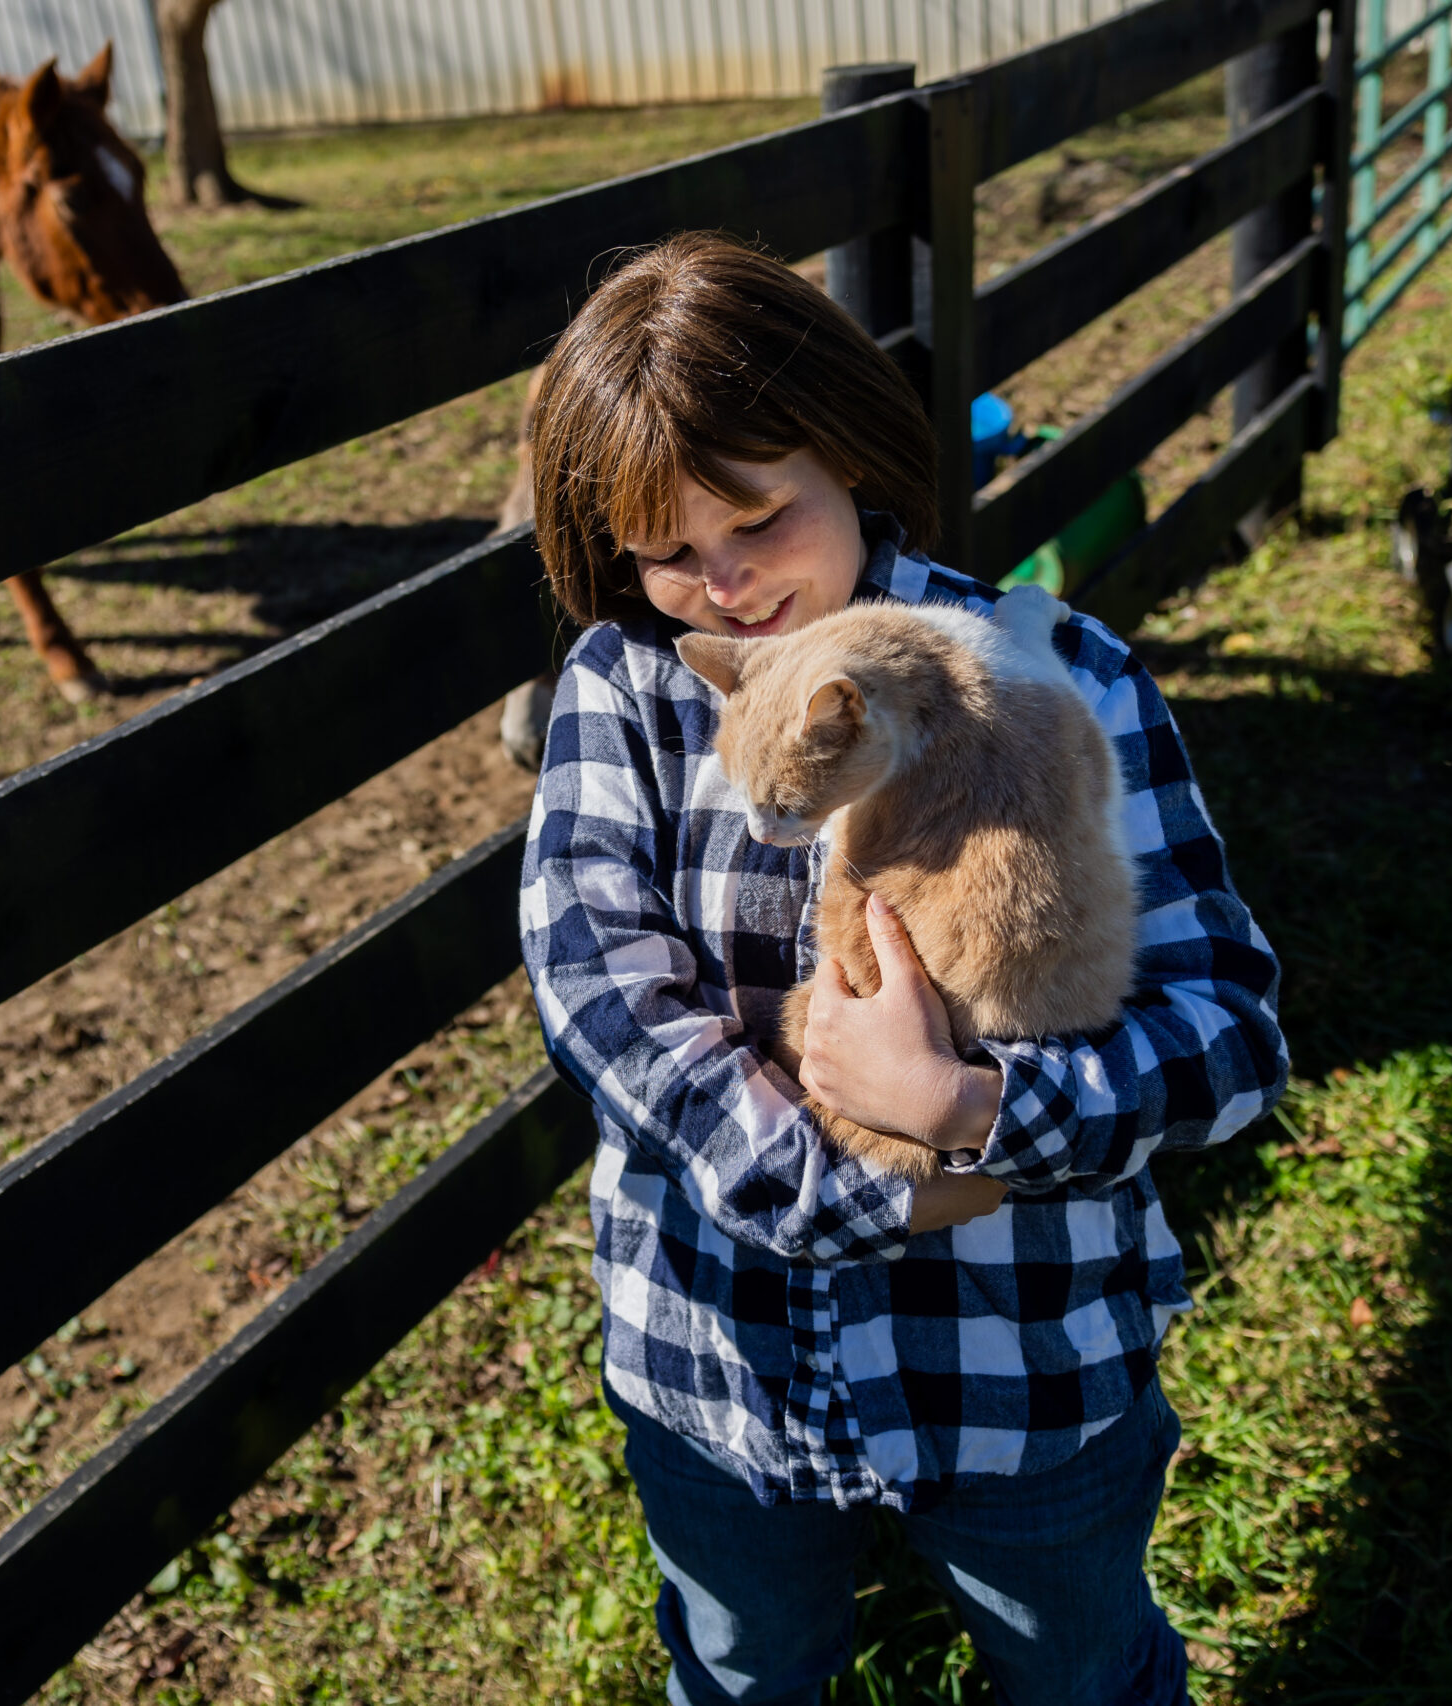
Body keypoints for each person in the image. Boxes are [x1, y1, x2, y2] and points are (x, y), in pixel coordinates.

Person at [516, 232, 1288, 1706]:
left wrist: (973, 1108)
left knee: (1081, 1670)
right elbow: (600, 987)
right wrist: (850, 1186)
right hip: (722, 1369)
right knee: (745, 1670)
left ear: (852, 458)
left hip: (1019, 1374)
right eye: (671, 551)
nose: (728, 586)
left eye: (758, 517)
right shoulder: (633, 692)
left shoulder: (1061, 674)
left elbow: (1230, 1035)